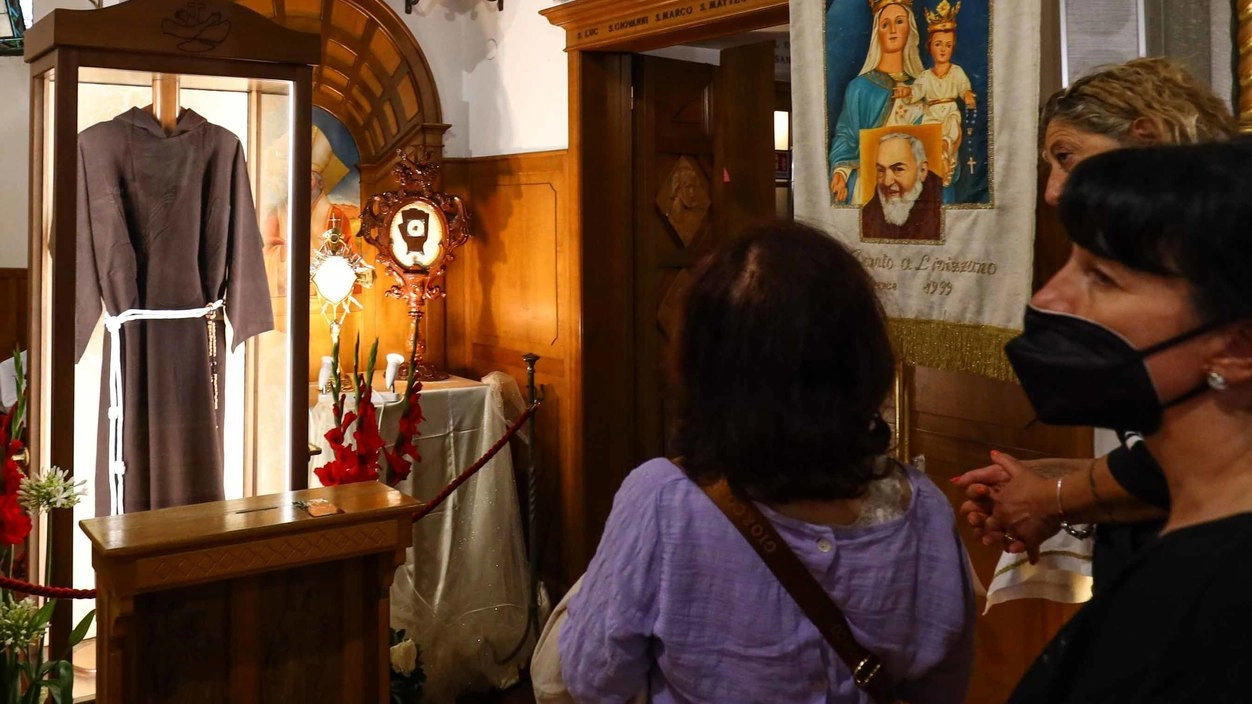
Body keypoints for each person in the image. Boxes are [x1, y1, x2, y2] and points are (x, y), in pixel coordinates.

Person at [559, 221, 974, 703]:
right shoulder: (924, 508)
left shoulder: (662, 501)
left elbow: (594, 678)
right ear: (861, 359)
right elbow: (944, 685)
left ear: (702, 366)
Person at [953, 57, 1238, 591]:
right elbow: (1166, 441)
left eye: (1068, 158)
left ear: (1146, 139)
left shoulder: (1218, 260)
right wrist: (1054, 474)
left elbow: (1219, 445)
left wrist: (1048, 496)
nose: (1054, 192)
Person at [999, 137, 1252, 703]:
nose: (1049, 298)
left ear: (1238, 347)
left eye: (1102, 278)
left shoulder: (1220, 602)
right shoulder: (1187, 550)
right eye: (1070, 262)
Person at [829, 0, 926, 203]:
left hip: (914, 187)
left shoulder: (924, 87)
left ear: (910, 28)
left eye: (899, 21)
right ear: (877, 33)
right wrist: (840, 171)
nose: (892, 30)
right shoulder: (860, 88)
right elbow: (846, 136)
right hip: (872, 184)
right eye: (885, 24)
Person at [896, 0, 975, 199]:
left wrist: (966, 95)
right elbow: (917, 91)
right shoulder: (925, 76)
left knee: (952, 125)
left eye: (948, 45)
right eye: (938, 44)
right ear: (930, 46)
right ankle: (938, 158)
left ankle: (947, 149)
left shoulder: (957, 72)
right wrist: (907, 93)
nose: (943, 50)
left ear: (953, 48)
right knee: (930, 138)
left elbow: (964, 88)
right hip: (932, 116)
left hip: (949, 111)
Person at [862, 131, 943, 240]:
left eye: (898, 169)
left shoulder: (944, 200)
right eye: (881, 170)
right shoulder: (868, 213)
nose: (887, 181)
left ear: (922, 171)